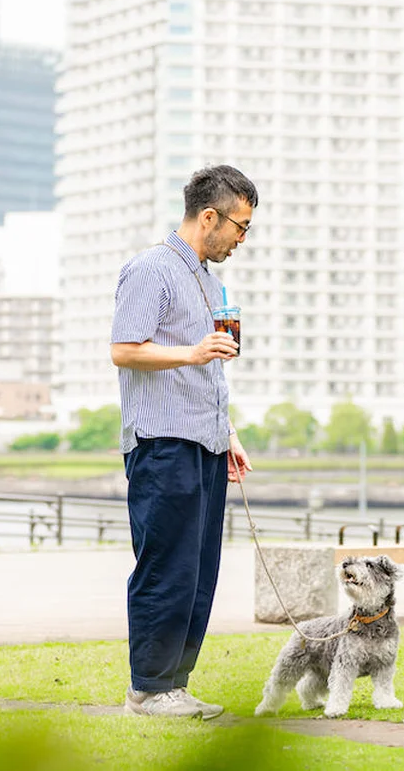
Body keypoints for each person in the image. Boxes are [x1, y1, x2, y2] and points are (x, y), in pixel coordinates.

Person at [110, 165, 257, 719]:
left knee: (198, 570)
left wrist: (229, 434)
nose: (242, 239)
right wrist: (192, 352)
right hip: (162, 442)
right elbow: (125, 350)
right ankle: (146, 690)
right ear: (209, 217)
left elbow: (211, 368)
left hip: (205, 442)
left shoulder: (210, 281)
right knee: (165, 566)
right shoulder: (150, 269)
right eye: (240, 227)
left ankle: (174, 685)